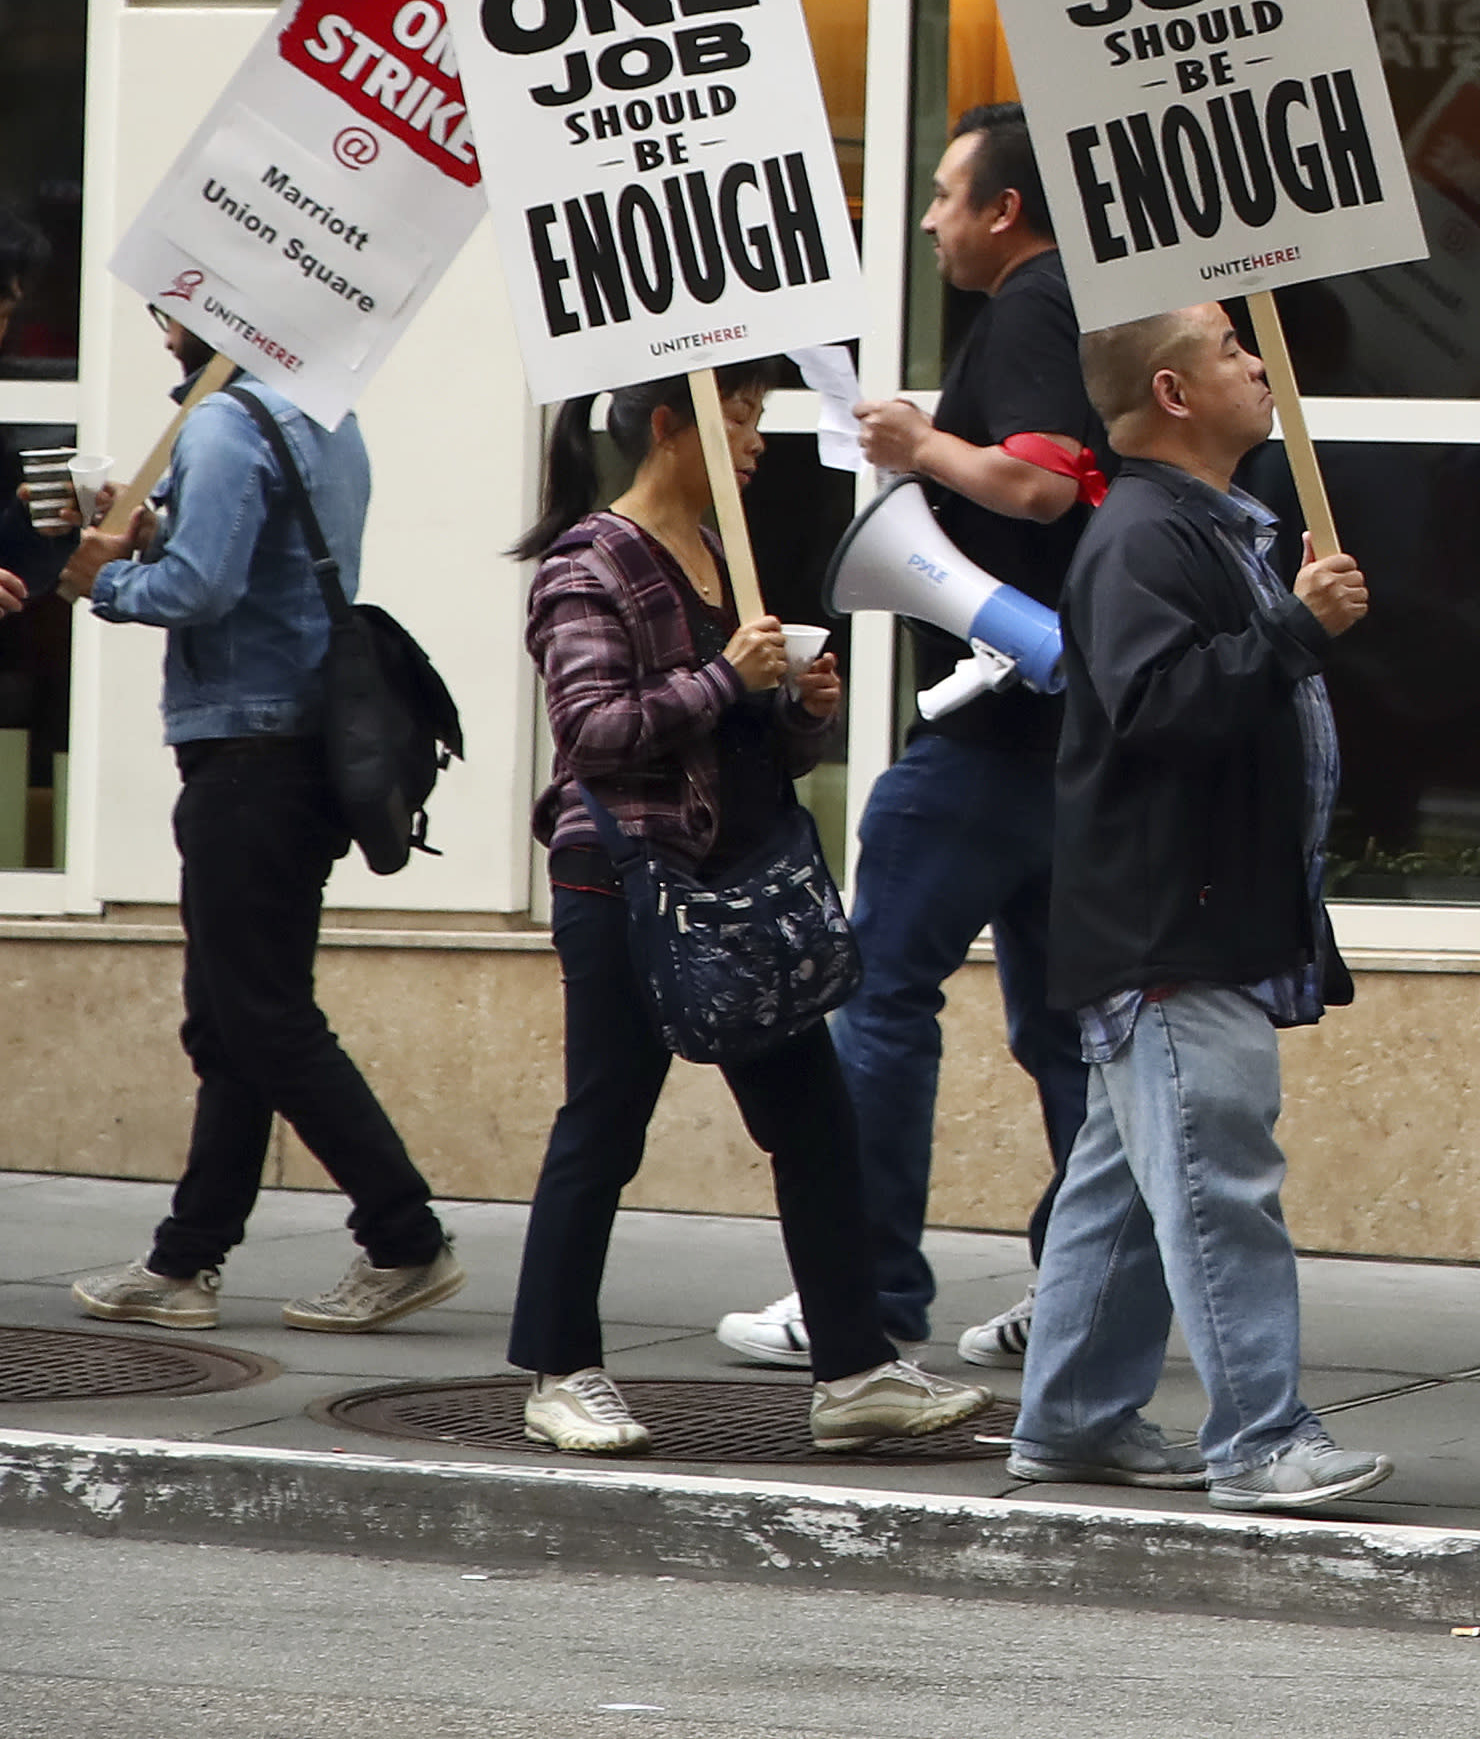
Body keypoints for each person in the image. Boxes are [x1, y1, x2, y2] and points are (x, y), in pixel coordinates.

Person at [505, 367, 980, 1454]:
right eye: (740, 414)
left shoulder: (719, 552)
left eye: (759, 415)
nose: (757, 438)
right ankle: (558, 1369)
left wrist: (798, 712)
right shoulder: (590, 561)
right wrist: (727, 677)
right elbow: (593, 732)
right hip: (625, 881)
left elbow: (733, 736)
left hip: (725, 883)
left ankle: (854, 1369)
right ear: (671, 427)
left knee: (816, 1123)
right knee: (605, 1124)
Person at [721, 104, 1099, 1382]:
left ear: (1004, 210)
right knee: (1062, 1028)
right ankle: (1081, 1292)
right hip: (1061, 742)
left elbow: (1043, 483)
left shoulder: (1038, 304)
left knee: (877, 999)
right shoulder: (1072, 304)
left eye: (946, 194)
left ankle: (865, 1293)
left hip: (990, 737)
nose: (930, 217)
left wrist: (920, 445)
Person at [1010, 303, 1383, 1513]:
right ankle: (1262, 1439)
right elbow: (1158, 710)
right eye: (1232, 348)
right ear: (1173, 393)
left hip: (1186, 914)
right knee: (1220, 1184)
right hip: (1173, 926)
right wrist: (1293, 628)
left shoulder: (1193, 527)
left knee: (1122, 1187)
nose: (1258, 362)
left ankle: (1072, 1419)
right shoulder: (1140, 538)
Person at [35, 322, 457, 1337]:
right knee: (232, 1020)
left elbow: (202, 590)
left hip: (247, 757)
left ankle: (404, 1236)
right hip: (299, 753)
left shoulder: (223, 421)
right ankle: (187, 1259)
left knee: (262, 1016)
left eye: (171, 307)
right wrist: (148, 533)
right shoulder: (322, 410)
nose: (161, 326)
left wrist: (103, 581)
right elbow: (258, 561)